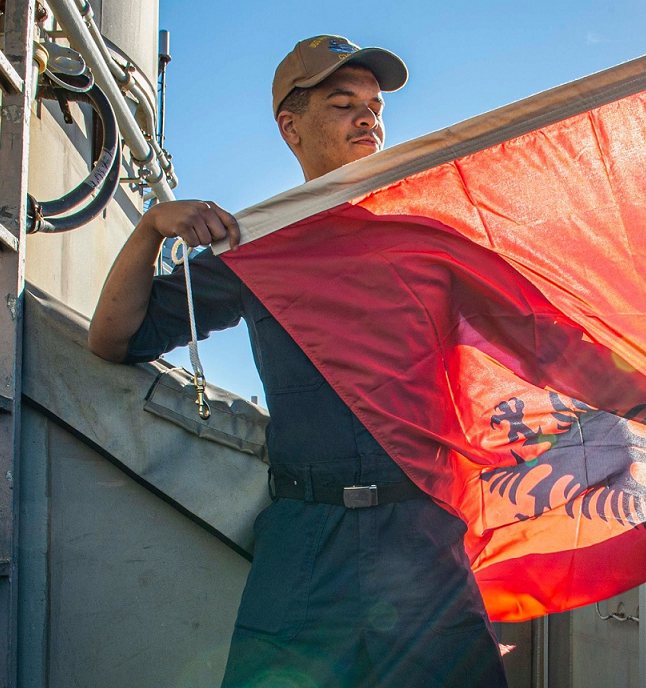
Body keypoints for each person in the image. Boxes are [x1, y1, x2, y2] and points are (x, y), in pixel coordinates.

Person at [88, 35, 509, 688]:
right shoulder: (263, 249)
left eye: (373, 104)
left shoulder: (425, 240)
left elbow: (539, 338)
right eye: (344, 104)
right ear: (291, 127)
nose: (367, 116)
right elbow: (113, 340)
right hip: (306, 544)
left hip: (420, 540)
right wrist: (150, 229)